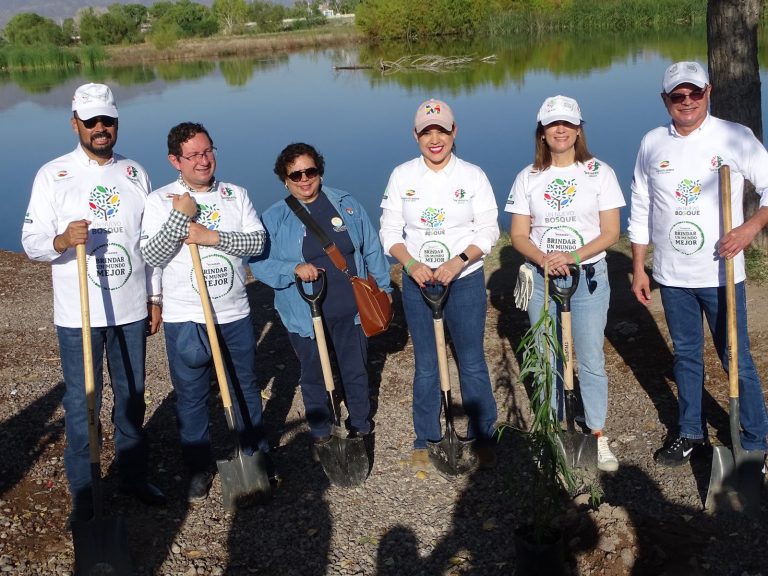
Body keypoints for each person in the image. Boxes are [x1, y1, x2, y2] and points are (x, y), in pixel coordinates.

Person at [21, 83, 166, 524]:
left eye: (108, 120)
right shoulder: (53, 174)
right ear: (75, 124)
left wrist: (154, 296)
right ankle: (86, 492)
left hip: (130, 310)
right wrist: (63, 240)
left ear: (116, 122)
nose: (100, 128)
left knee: (133, 398)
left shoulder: (136, 173)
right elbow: (31, 243)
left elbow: (151, 243)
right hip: (78, 315)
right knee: (84, 402)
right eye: (91, 122)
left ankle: (133, 478)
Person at [629, 61, 768, 466]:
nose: (687, 101)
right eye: (678, 95)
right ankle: (690, 432)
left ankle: (756, 438)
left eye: (694, 93)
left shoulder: (734, 136)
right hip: (672, 276)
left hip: (722, 274)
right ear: (665, 100)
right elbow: (640, 206)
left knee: (734, 355)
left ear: (707, 92)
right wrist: (640, 266)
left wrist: (750, 228)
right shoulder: (652, 143)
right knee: (686, 355)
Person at [141, 122, 273, 501]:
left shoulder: (235, 194)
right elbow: (153, 255)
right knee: (191, 394)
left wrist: (208, 236)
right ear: (175, 161)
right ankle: (198, 467)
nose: (204, 160)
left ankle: (253, 451)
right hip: (186, 317)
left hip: (233, 312)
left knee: (245, 386)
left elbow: (257, 241)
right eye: (194, 155)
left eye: (208, 150)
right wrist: (181, 216)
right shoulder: (160, 200)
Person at [250, 143, 391, 460]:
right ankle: (322, 432)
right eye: (295, 174)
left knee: (355, 370)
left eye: (309, 171)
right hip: (305, 313)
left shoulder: (346, 204)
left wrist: (383, 290)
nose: (304, 179)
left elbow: (370, 247)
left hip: (351, 309)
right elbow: (257, 264)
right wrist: (292, 269)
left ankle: (360, 427)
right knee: (313, 373)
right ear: (284, 179)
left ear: (320, 171)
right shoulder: (274, 219)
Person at [379, 99, 499, 470]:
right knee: (427, 364)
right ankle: (425, 437)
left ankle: (484, 433)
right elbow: (389, 231)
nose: (435, 139)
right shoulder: (402, 176)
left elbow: (489, 230)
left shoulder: (472, 176)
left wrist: (458, 261)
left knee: (472, 361)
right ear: (415, 135)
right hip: (419, 284)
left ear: (454, 132)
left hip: (463, 282)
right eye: (427, 132)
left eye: (442, 131)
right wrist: (411, 265)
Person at [506, 95, 624, 472]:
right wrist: (543, 259)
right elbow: (519, 236)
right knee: (546, 358)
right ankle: (554, 429)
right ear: (541, 131)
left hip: (587, 279)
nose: (561, 130)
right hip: (543, 281)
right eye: (553, 124)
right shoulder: (529, 177)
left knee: (589, 359)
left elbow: (611, 233)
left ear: (578, 129)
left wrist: (571, 257)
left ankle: (596, 434)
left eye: (568, 124)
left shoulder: (599, 172)